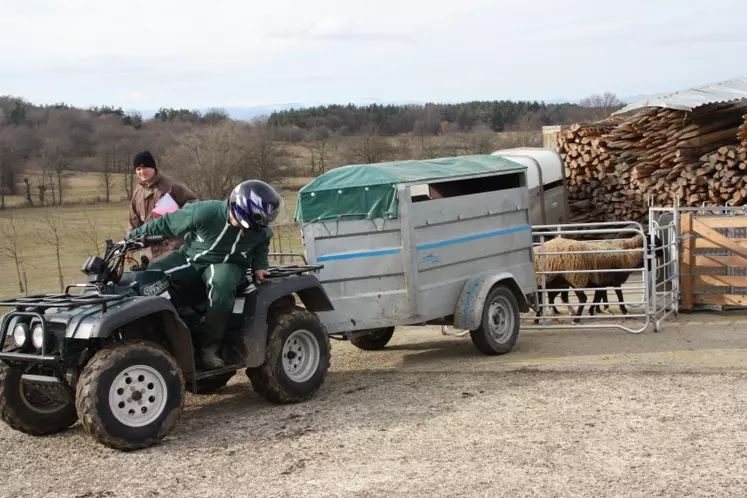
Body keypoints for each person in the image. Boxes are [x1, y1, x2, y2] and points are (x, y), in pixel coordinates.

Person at [125, 179, 282, 369]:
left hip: (228, 263)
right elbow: (166, 224)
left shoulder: (260, 230)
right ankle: (161, 337)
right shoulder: (205, 212)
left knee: (221, 283)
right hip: (189, 257)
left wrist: (260, 265)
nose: (264, 223)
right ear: (243, 209)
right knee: (147, 279)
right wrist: (129, 241)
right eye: (260, 217)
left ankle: (210, 347)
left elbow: (262, 245)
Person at [128, 150, 198, 263]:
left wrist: (178, 215)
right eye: (138, 169)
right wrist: (129, 244)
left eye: (145, 167)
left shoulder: (171, 185)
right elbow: (134, 220)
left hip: (172, 246)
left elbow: (193, 204)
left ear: (153, 167)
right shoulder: (138, 191)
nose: (142, 172)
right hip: (148, 251)